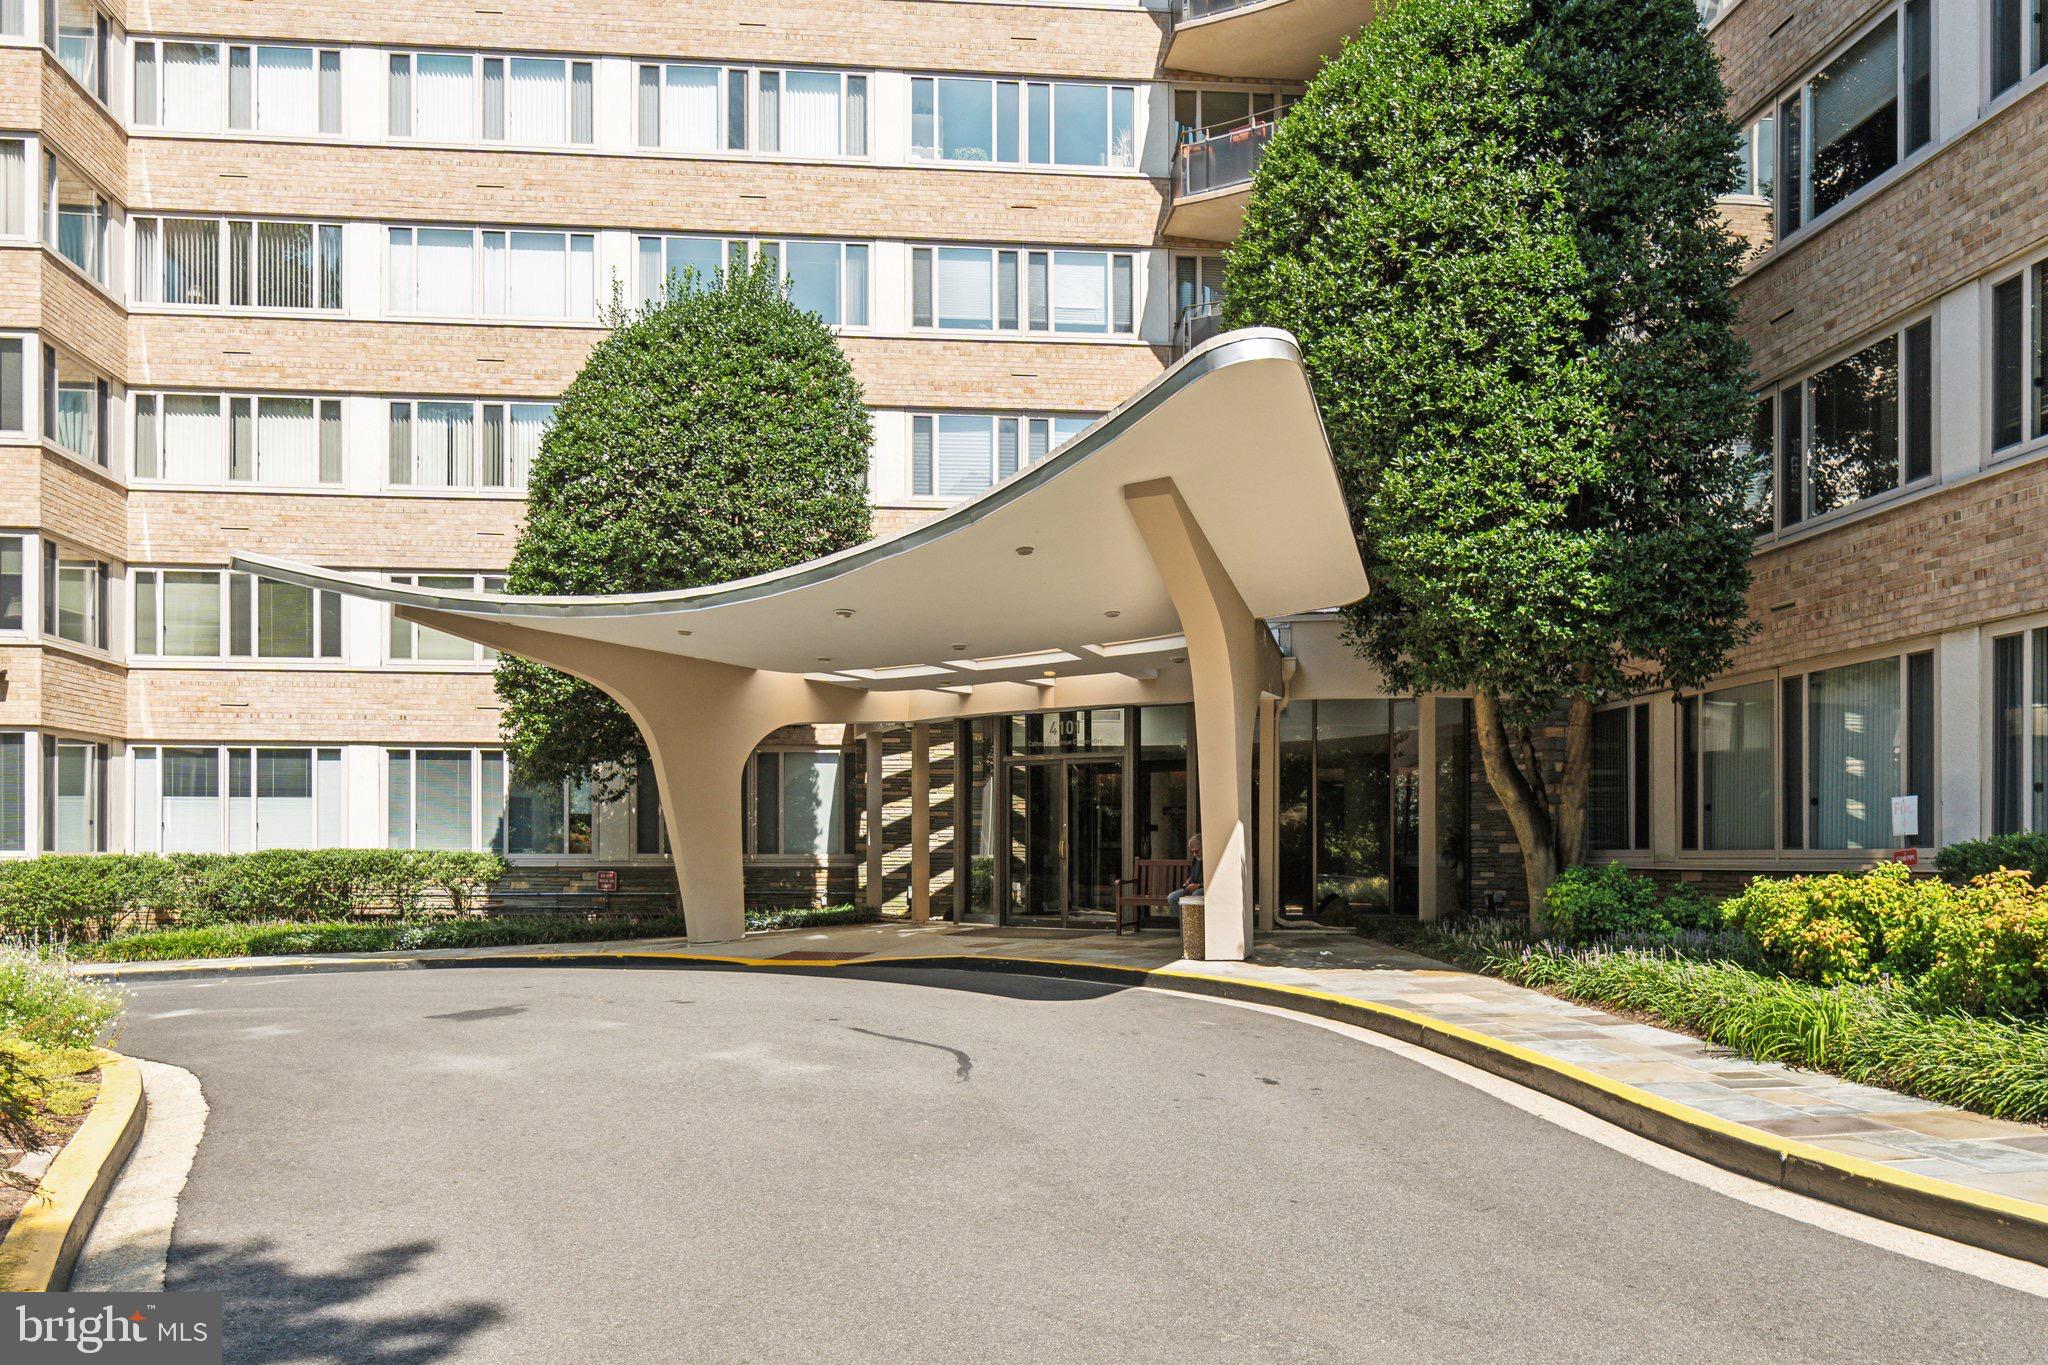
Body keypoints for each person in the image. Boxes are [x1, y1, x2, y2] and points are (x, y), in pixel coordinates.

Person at [1168, 833, 1203, 914]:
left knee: (1196, 894)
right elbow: (1192, 877)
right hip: (1193, 887)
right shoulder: (1196, 859)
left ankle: (1193, 923)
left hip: (1202, 888)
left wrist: (1198, 886)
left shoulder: (1209, 859)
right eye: (1192, 851)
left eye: (1197, 851)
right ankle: (1185, 922)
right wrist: (1185, 885)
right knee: (1172, 897)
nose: (1195, 854)